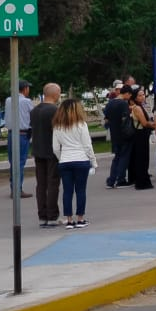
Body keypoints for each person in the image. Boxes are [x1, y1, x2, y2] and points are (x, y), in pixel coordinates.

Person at [52, 97, 97, 229]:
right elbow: (87, 145)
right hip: (81, 160)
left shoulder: (57, 126)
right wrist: (93, 162)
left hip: (65, 161)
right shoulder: (81, 125)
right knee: (80, 190)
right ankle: (80, 219)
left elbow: (55, 148)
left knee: (67, 191)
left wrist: (62, 158)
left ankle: (69, 219)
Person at [29, 84, 61, 228]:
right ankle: (52, 215)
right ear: (56, 94)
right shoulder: (55, 110)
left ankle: (42, 216)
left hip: (38, 150)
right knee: (53, 183)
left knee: (41, 184)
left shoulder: (35, 110)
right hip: (52, 151)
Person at [5, 79, 33, 198]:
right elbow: (32, 116)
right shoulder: (27, 101)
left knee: (13, 162)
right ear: (25, 89)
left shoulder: (8, 100)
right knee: (20, 162)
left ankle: (14, 187)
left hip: (12, 134)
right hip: (22, 133)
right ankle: (18, 189)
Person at [104, 84, 134, 188]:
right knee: (124, 157)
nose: (130, 98)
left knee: (116, 157)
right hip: (124, 135)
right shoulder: (123, 104)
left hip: (114, 134)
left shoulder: (110, 103)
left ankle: (111, 180)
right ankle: (121, 179)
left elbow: (106, 119)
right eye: (130, 95)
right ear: (127, 93)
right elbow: (125, 120)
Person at [127, 87, 155, 190]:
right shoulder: (137, 108)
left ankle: (142, 179)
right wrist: (155, 125)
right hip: (140, 135)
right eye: (140, 95)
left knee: (142, 158)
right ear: (134, 97)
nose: (142, 97)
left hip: (141, 134)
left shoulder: (140, 106)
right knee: (142, 159)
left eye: (143, 95)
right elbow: (144, 123)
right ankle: (142, 182)